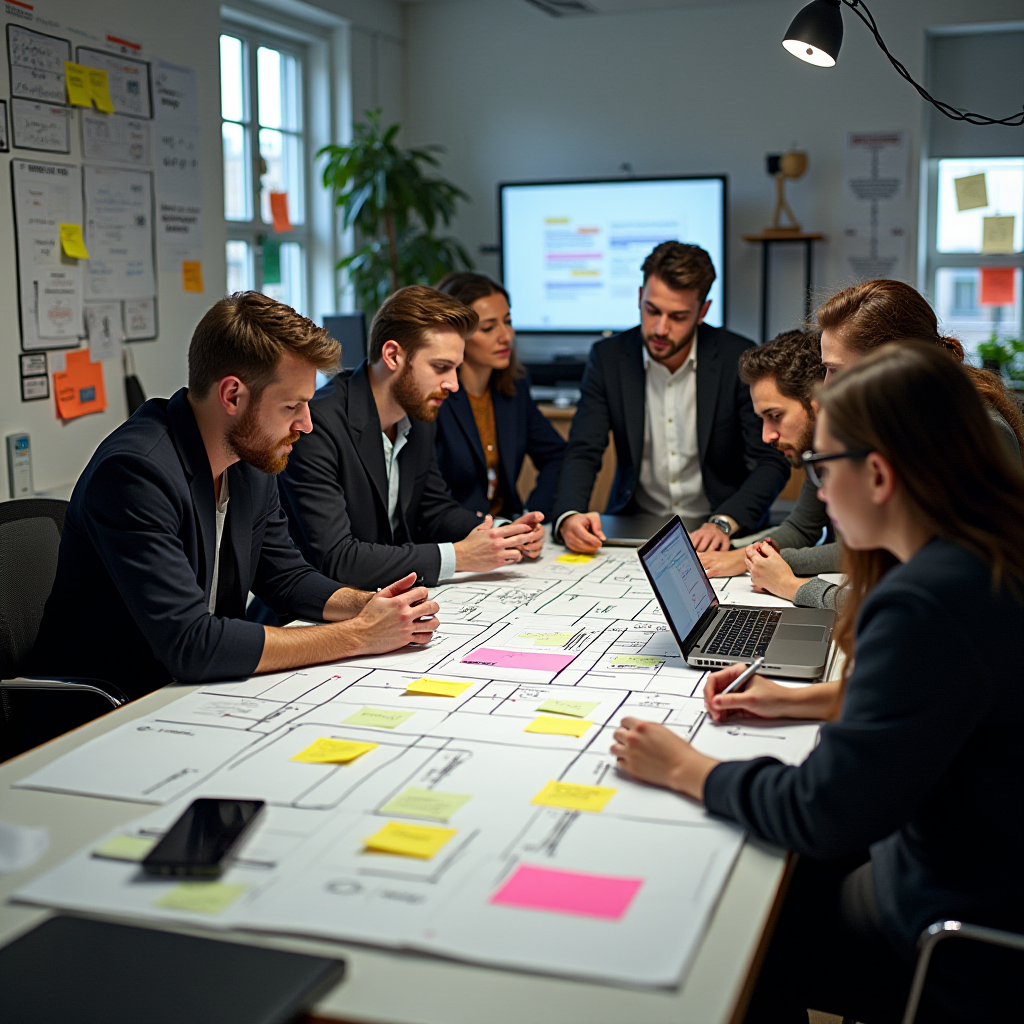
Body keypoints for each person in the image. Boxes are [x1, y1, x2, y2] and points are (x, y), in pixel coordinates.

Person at [611, 342, 1024, 1022]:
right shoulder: (986, 552)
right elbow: (938, 703)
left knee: (744, 930)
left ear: (881, 476)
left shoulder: (925, 600)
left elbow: (820, 810)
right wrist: (800, 699)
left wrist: (686, 768)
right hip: (984, 862)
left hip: (957, 927)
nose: (821, 492)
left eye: (823, 469)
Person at [30, 292, 441, 700]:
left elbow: (287, 579)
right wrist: (358, 635)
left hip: (196, 693)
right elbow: (192, 644)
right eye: (291, 406)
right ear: (232, 395)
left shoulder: (248, 458)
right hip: (107, 710)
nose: (307, 424)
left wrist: (369, 605)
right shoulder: (134, 473)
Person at [742, 278, 1024, 605]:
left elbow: (935, 595)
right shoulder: (894, 425)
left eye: (836, 370)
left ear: (891, 365)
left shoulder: (975, 435)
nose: (827, 387)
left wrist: (793, 585)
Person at [279, 286, 545, 591]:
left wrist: (502, 534)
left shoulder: (417, 413)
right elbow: (339, 559)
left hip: (386, 601)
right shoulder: (317, 424)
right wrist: (459, 556)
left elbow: (432, 510)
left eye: (456, 369)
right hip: (310, 617)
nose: (453, 385)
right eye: (441, 367)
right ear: (392, 355)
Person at [551, 242, 789, 554]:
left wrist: (725, 521)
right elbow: (584, 449)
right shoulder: (608, 358)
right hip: (634, 529)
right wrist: (569, 516)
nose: (660, 329)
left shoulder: (738, 358)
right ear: (639, 297)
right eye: (652, 311)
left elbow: (771, 460)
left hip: (719, 529)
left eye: (677, 316)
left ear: (702, 311)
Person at [700, 329, 843, 609]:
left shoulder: (860, 452)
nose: (767, 436)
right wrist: (741, 553)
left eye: (775, 416)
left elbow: (862, 553)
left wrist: (755, 560)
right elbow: (802, 527)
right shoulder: (818, 452)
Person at [433, 273, 567, 521]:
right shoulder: (434, 395)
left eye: (508, 321)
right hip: (459, 540)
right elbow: (430, 498)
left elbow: (558, 456)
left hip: (508, 536)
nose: (506, 336)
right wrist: (496, 530)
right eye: (488, 328)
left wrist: (533, 515)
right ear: (454, 335)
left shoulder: (514, 388)